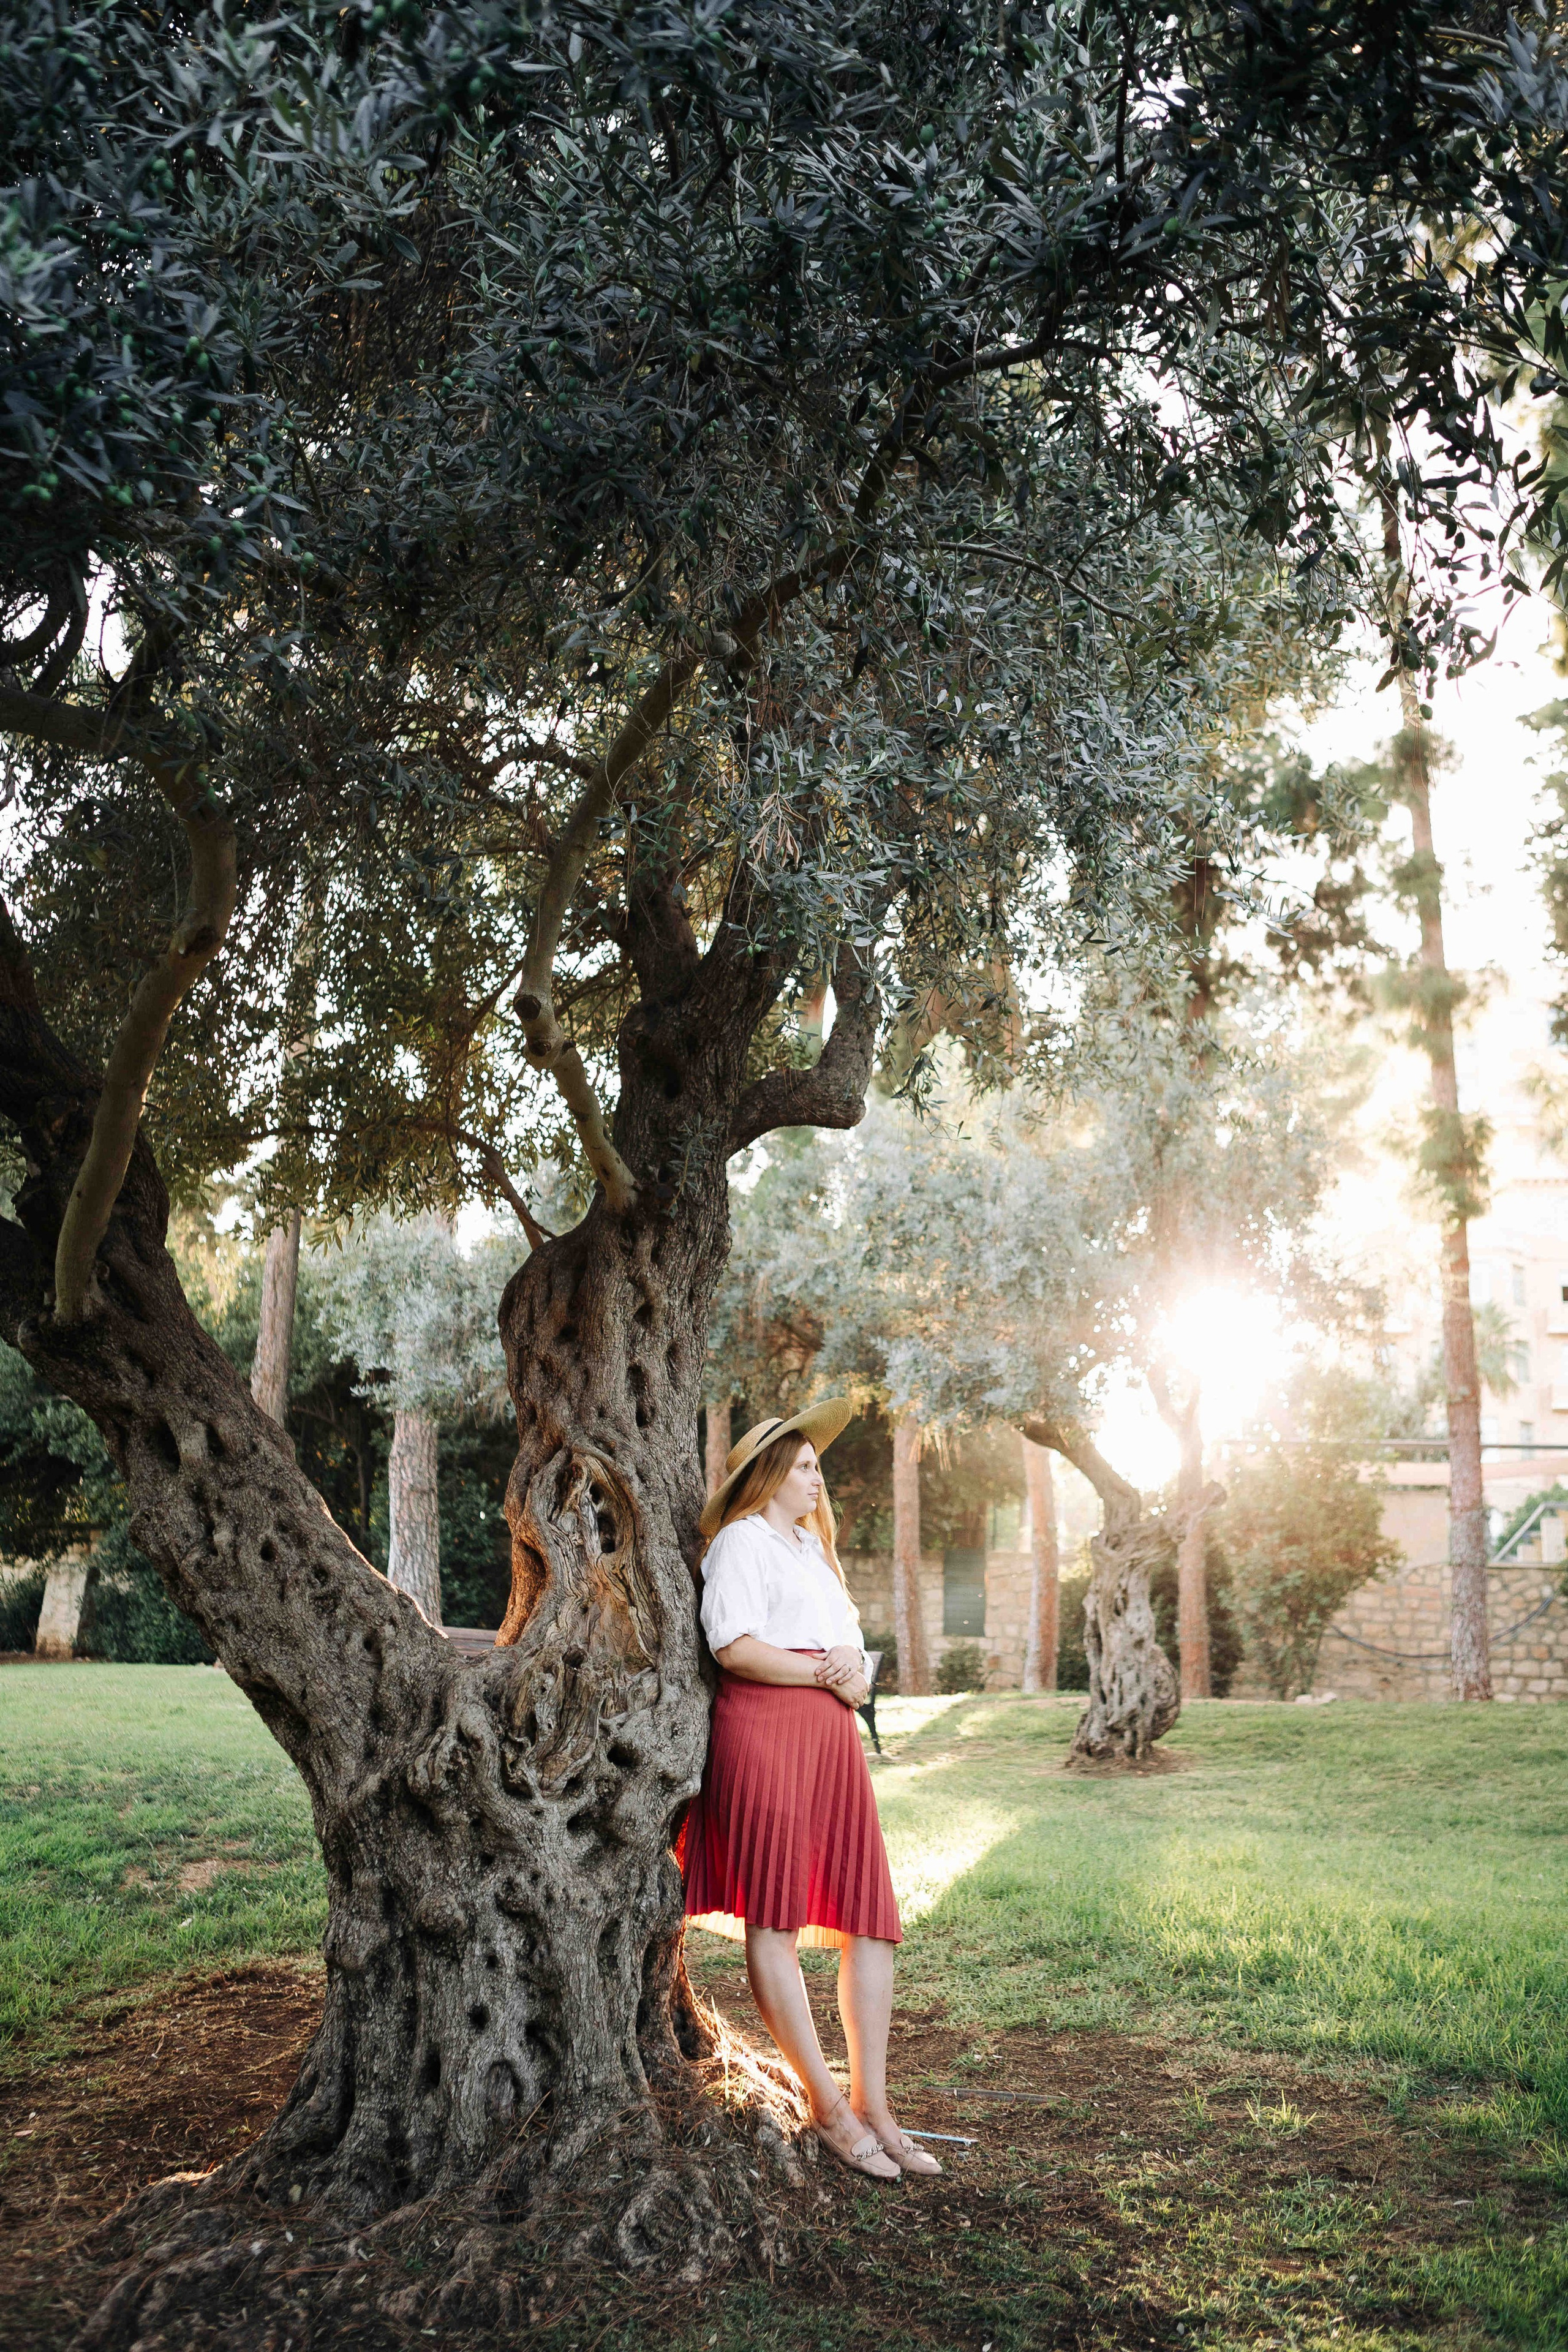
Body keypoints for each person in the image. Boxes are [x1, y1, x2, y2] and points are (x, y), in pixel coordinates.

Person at [682, 1401, 940, 2182]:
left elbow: (853, 1649)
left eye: (815, 1466)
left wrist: (852, 1675)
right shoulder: (739, 1542)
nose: (815, 1477)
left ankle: (877, 2108)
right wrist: (820, 1671)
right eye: (802, 1466)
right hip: (763, 1733)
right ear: (765, 1475)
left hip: (831, 1740)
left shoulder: (811, 1550)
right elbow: (732, 1644)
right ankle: (826, 2108)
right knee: (778, 1920)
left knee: (870, 1919)